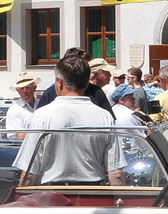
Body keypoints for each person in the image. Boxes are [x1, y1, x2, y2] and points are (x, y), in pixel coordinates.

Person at [14, 54, 124, 187]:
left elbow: (28, 172)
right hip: (93, 193)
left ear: (59, 82)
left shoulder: (42, 115)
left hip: (51, 194)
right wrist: (119, 201)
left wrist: (23, 198)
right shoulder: (104, 116)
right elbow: (115, 173)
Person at [35, 50, 114, 112]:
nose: (83, 70)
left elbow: (109, 124)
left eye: (85, 66)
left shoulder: (96, 92)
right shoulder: (50, 93)